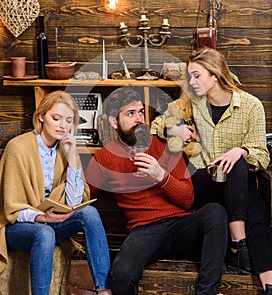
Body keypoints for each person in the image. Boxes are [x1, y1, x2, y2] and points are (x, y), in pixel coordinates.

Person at [151, 47, 272, 294]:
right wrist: (175, 130)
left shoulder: (250, 106)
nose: (191, 82)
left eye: (197, 75)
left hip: (238, 186)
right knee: (239, 178)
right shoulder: (189, 103)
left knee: (256, 212)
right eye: (189, 76)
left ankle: (268, 283)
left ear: (215, 75)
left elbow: (262, 155)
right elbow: (154, 126)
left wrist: (241, 151)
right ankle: (239, 243)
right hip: (204, 183)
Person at [85, 86, 228, 295]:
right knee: (121, 276)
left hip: (181, 225)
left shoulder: (164, 145)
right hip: (144, 230)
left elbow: (188, 199)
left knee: (215, 212)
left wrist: (160, 175)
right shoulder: (105, 158)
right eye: (130, 114)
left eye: (141, 112)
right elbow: (84, 194)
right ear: (114, 122)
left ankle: (207, 292)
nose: (139, 119)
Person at [0, 90, 112, 295]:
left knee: (89, 213)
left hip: (50, 219)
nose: (63, 126)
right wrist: (40, 217)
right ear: (41, 116)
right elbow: (10, 208)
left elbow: (74, 201)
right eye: (56, 118)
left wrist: (71, 159)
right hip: (16, 227)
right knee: (44, 232)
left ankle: (103, 290)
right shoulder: (17, 148)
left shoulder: (66, 148)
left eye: (69, 120)